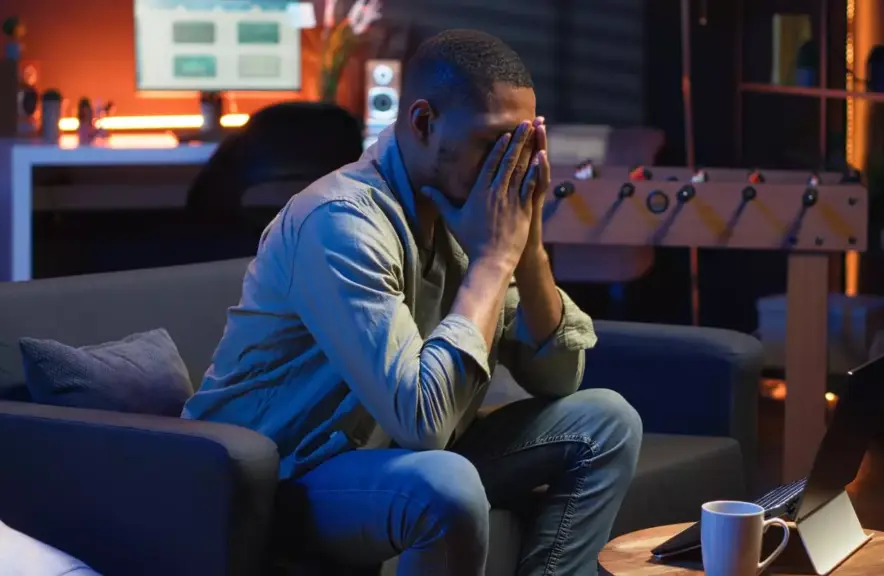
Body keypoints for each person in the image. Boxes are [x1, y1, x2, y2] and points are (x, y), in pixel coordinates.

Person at [182, 29, 642, 575]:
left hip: (384, 459)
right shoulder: (341, 221)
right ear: (423, 123)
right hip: (280, 477)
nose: (509, 167)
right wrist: (494, 259)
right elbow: (423, 422)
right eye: (493, 143)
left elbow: (559, 377)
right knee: (445, 483)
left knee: (607, 422)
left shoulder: (467, 208)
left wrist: (529, 247)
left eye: (522, 145)